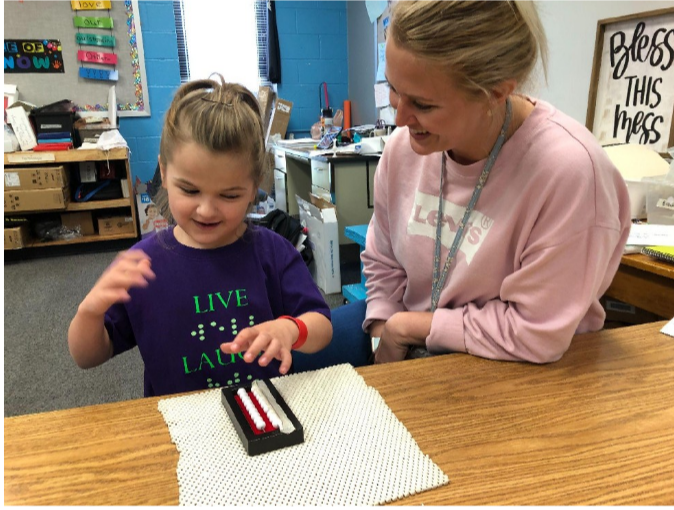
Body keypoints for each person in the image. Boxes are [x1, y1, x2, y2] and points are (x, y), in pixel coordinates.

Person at [363, 1, 631, 364]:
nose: (399, 118)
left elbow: (536, 333)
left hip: (525, 374)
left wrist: (410, 327)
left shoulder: (569, 173)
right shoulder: (402, 152)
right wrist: (384, 335)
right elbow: (383, 259)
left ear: (495, 91)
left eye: (423, 105)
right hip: (419, 363)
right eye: (394, 89)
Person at [68, 75, 332, 397]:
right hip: (177, 424)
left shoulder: (273, 252)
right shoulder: (142, 265)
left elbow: (322, 325)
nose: (207, 210)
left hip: (262, 416)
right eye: (190, 190)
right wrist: (90, 312)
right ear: (164, 173)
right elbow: (88, 357)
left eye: (230, 196)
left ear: (253, 187)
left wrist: (292, 328)